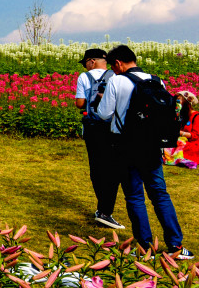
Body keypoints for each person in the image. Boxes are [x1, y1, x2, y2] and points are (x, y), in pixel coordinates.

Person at [96, 45, 191, 259]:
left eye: (113, 66)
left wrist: (103, 99)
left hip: (125, 147)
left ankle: (145, 247)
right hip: (151, 146)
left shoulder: (117, 81)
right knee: (160, 194)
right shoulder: (157, 81)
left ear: (118, 63)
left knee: (135, 196)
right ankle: (176, 246)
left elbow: (104, 115)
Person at [74, 48, 123, 229]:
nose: (85, 66)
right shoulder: (115, 76)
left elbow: (80, 103)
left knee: (96, 166)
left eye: (86, 62)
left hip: (93, 128)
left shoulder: (84, 77)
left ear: (91, 61)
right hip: (112, 128)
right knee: (112, 167)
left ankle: (102, 208)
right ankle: (105, 209)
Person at [165, 91, 199, 168]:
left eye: (179, 100)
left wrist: (179, 133)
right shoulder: (180, 116)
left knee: (177, 144)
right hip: (181, 141)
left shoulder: (196, 116)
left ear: (186, 103)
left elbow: (195, 136)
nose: (177, 102)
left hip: (193, 144)